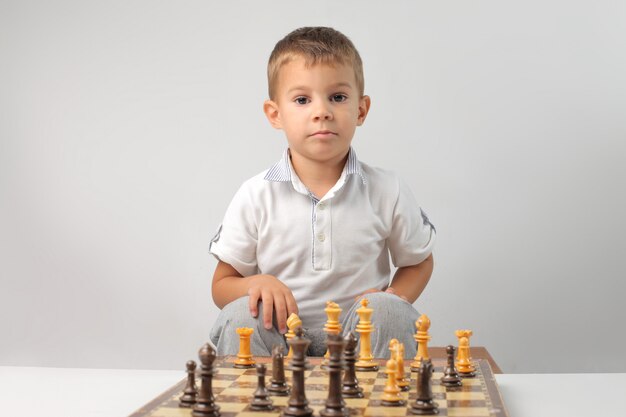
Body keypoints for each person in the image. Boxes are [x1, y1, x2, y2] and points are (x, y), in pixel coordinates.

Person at [209, 27, 436, 358]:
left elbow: (419, 261)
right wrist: (254, 284)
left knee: (388, 312)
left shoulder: (387, 188)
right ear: (275, 114)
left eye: (338, 97)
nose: (322, 111)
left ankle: (376, 403)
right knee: (241, 314)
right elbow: (221, 285)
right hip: (279, 340)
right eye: (302, 100)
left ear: (360, 110)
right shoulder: (255, 194)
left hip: (359, 343)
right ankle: (256, 406)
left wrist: (393, 296)